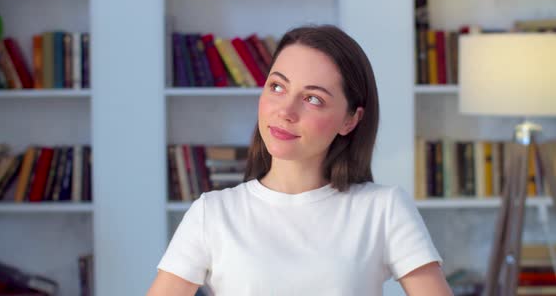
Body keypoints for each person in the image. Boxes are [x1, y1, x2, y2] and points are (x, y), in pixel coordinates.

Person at [147, 25, 453, 295]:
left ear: (350, 120)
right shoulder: (212, 214)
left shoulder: (383, 209)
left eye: (313, 99)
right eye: (277, 87)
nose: (286, 111)